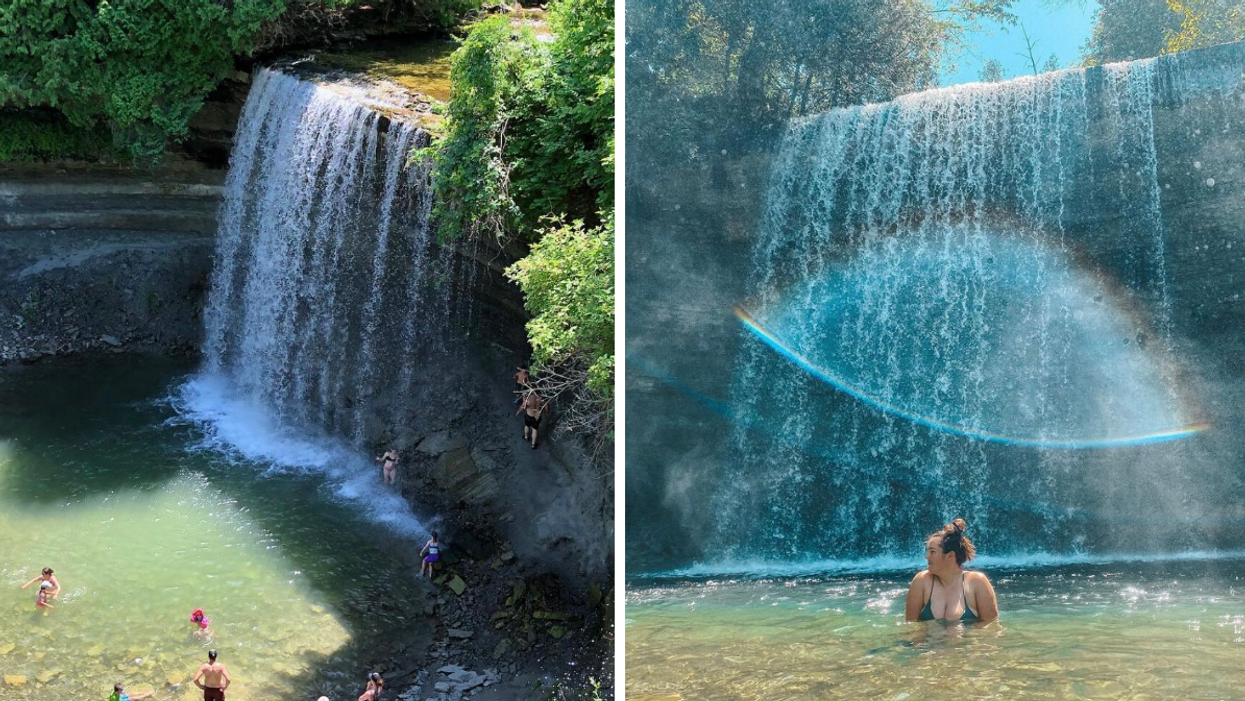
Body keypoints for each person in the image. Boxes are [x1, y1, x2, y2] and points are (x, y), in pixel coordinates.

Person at [904, 518, 998, 623]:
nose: (927, 557)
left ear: (950, 556)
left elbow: (991, 627)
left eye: (932, 552)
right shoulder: (921, 581)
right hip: (930, 640)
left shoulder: (977, 582)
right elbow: (911, 626)